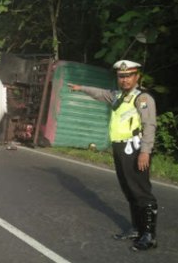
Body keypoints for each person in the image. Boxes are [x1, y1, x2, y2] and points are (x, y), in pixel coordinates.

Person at [67, 60, 158, 252]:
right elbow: (100, 93)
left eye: (128, 76)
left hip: (135, 149)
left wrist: (145, 152)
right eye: (121, 76)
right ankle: (136, 229)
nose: (124, 80)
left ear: (137, 77)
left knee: (141, 191)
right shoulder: (117, 96)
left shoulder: (142, 99)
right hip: (119, 149)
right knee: (129, 190)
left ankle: (149, 236)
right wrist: (81, 88)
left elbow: (149, 125)